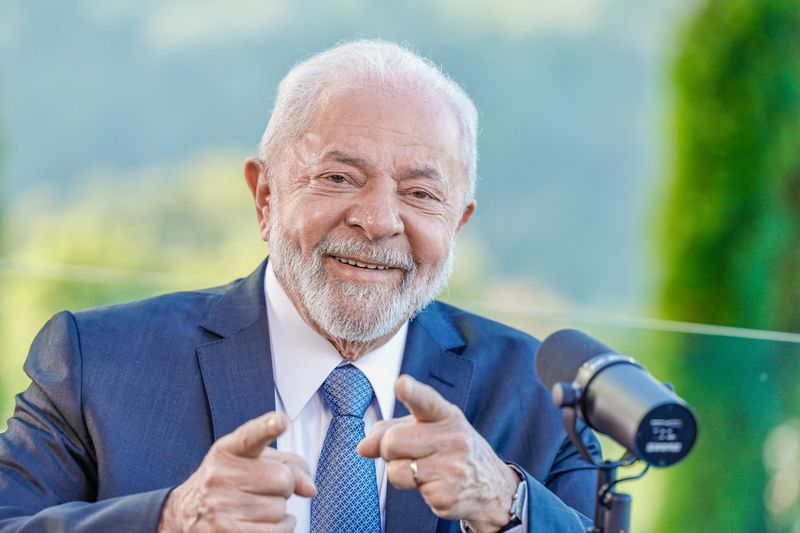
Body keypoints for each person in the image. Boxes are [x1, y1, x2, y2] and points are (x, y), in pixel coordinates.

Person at [0, 39, 599, 532]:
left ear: (458, 223)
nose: (380, 220)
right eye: (339, 178)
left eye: (420, 194)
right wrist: (171, 519)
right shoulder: (97, 364)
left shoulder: (543, 395)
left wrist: (505, 504)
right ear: (265, 198)